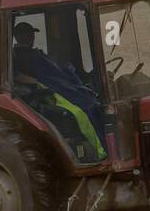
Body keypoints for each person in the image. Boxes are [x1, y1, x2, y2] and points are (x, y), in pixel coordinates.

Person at [11, 22, 105, 160]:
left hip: (59, 85)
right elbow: (18, 76)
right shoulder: (21, 56)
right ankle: (102, 151)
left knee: (93, 101)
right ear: (19, 36)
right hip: (51, 90)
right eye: (28, 34)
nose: (32, 37)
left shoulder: (32, 54)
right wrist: (40, 83)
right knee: (87, 109)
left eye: (32, 34)